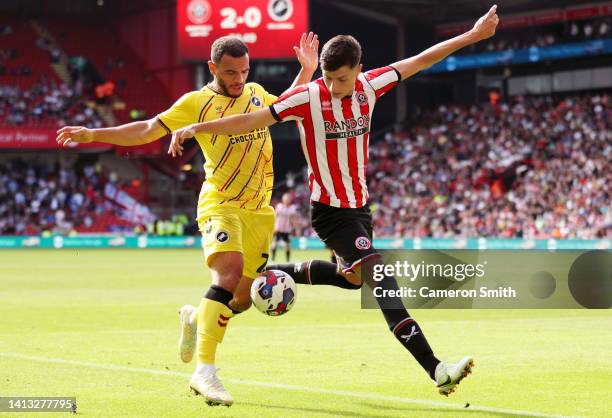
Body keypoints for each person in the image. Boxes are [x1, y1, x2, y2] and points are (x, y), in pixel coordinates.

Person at [168, 6, 499, 397]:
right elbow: (251, 120)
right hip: (330, 212)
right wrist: (197, 127)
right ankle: (437, 369)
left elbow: (421, 59)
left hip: (359, 208)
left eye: (341, 78)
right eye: (327, 77)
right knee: (380, 279)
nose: (333, 85)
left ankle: (240, 289)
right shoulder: (309, 97)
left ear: (358, 70)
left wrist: (471, 36)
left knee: (351, 277)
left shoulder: (373, 86)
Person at [56, 33, 319, 407]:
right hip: (221, 202)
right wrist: (94, 133)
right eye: (230, 72)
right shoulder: (196, 103)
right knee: (227, 277)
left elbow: (285, 107)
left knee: (242, 300)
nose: (239, 79)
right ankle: (205, 373)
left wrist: (306, 70)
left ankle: (196, 318)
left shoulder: (257, 92)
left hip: (259, 210)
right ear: (212, 68)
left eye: (244, 70)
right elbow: (147, 128)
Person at [271, 192, 298, 261]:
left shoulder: (292, 208)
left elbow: (293, 219)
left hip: (287, 230)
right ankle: (273, 259)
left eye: (288, 199)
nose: (287, 200)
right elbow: (275, 216)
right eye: (286, 199)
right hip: (278, 229)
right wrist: (273, 227)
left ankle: (288, 260)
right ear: (283, 199)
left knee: (287, 245)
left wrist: (296, 228)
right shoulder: (279, 206)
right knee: (275, 244)